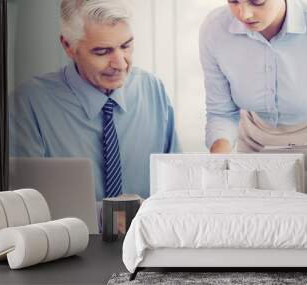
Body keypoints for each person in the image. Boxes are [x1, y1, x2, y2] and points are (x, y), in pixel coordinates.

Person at [9, 0, 181, 218]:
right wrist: (114, 216)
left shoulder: (152, 89)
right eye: (102, 51)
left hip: (148, 242)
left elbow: (178, 186)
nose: (120, 64)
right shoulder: (28, 104)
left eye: (126, 46)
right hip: (68, 246)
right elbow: (22, 209)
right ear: (69, 47)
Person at [199, 0, 307, 175]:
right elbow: (221, 112)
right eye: (233, 1)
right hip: (254, 148)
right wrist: (217, 162)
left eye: (257, 2)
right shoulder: (215, 30)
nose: (244, 14)